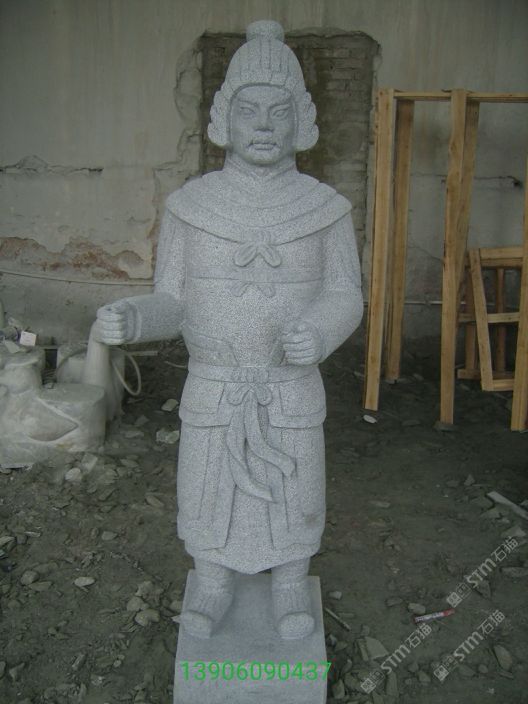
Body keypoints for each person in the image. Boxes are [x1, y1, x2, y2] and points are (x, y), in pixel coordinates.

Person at [95, 19, 363, 640]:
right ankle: (212, 580)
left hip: (288, 385)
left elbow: (345, 293)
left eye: (278, 111)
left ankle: (290, 581)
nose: (264, 125)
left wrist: (320, 332)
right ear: (224, 119)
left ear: (302, 121)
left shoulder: (324, 208)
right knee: (206, 489)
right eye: (249, 110)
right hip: (216, 385)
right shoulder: (192, 206)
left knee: (296, 489)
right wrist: (136, 316)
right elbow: (172, 298)